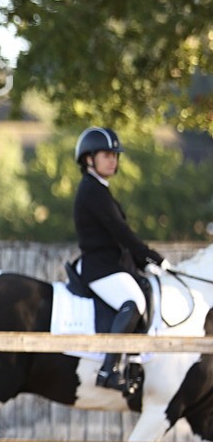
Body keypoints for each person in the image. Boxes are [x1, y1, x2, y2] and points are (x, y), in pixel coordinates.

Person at [73, 126, 169, 390]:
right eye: (106, 154)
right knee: (133, 302)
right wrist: (153, 257)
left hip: (111, 265)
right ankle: (109, 369)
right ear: (89, 159)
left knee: (145, 291)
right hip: (101, 268)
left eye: (115, 155)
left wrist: (142, 262)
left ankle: (135, 359)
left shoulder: (100, 189)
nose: (113, 159)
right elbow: (121, 232)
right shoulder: (92, 191)